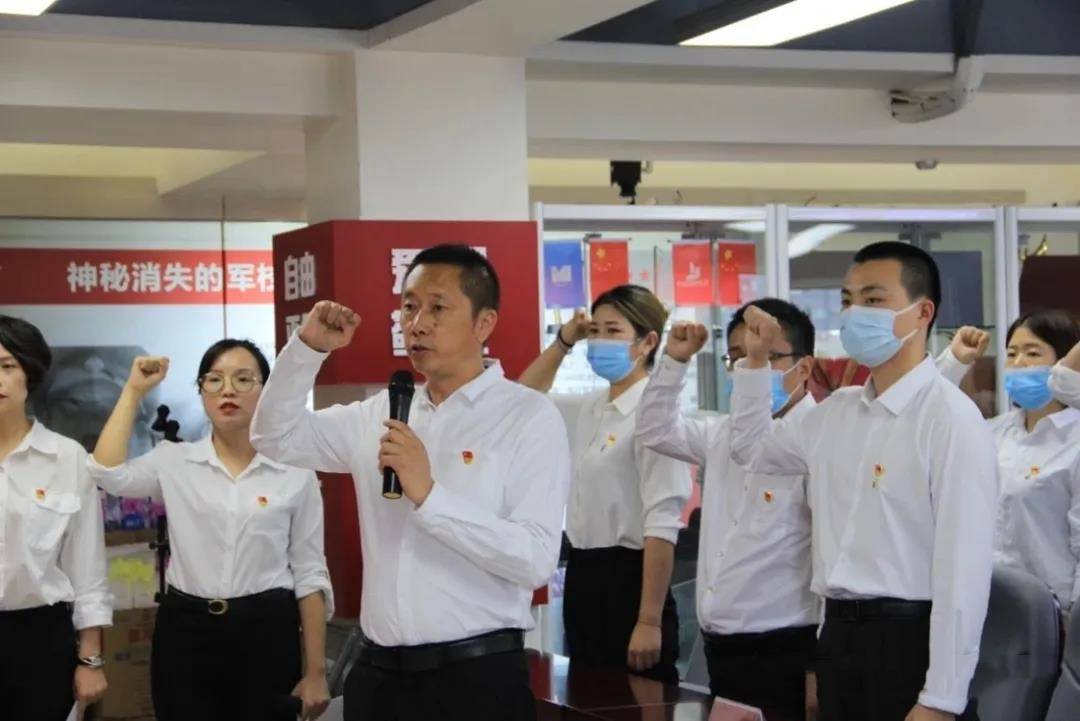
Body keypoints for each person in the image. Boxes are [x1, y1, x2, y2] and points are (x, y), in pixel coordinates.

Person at [250, 244, 571, 721]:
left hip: (476, 680)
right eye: (409, 307)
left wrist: (430, 497)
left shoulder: (527, 416)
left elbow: (535, 558)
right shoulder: (380, 411)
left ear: (484, 323)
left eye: (438, 308)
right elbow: (273, 436)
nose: (417, 323)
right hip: (379, 678)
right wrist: (307, 349)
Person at [728, 242, 997, 721]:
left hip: (909, 643)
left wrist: (942, 697)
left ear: (922, 313)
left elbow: (964, 570)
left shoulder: (950, 418)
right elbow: (751, 448)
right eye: (848, 301)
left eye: (873, 300)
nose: (855, 313)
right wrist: (754, 362)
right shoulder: (837, 411)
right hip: (838, 638)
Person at [87, 339, 333, 721]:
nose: (227, 390)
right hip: (186, 630)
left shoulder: (295, 471)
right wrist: (133, 391)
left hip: (266, 631)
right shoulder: (174, 461)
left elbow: (310, 571)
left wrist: (316, 672)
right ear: (201, 391)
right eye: (214, 379)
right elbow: (106, 472)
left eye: (243, 379)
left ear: (265, 391)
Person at [635, 297, 820, 718]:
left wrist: (819, 663)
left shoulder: (819, 437)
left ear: (804, 367)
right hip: (721, 649)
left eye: (765, 355)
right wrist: (675, 361)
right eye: (737, 356)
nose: (748, 367)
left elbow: (831, 556)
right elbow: (653, 430)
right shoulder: (723, 433)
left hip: (786, 649)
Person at [518, 285, 691, 683]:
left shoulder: (656, 416)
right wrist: (565, 340)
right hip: (583, 574)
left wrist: (649, 620)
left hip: (633, 580)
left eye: (613, 331)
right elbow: (523, 397)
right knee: (587, 697)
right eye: (594, 331)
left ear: (647, 342)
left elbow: (662, 524)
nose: (599, 342)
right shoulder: (591, 407)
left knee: (637, 701)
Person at [0, 315, 110, 721]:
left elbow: (88, 569)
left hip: (40, 638)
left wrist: (91, 659)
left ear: (29, 375)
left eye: (7, 366)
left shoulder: (66, 458)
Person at [938, 313, 1080, 619]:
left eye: (1033, 353)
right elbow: (927, 415)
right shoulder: (992, 432)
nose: (1018, 363)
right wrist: (954, 362)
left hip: (1052, 612)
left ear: (1064, 363)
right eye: (1012, 353)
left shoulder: (1074, 441)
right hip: (983, 603)